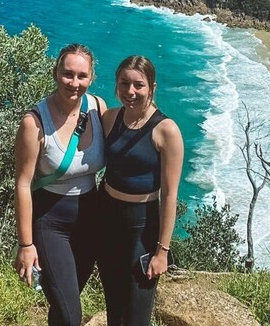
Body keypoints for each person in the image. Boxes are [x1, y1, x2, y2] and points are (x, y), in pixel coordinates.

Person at [14, 43, 107, 326]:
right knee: (70, 314)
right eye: (68, 74)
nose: (74, 83)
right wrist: (25, 244)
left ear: (91, 78)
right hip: (51, 221)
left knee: (64, 305)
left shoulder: (97, 107)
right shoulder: (35, 122)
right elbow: (22, 185)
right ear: (55, 73)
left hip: (89, 220)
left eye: (82, 76)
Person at [98, 55, 184, 326]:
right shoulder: (110, 118)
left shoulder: (166, 130)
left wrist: (162, 251)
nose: (130, 92)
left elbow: (170, 195)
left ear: (152, 87)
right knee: (114, 306)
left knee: (138, 311)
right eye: (124, 84)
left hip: (142, 225)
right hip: (107, 216)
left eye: (139, 85)